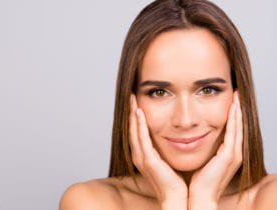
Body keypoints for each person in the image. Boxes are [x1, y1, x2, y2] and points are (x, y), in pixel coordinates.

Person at [59, 0, 277, 209]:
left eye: (208, 90)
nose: (185, 120)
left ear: (239, 96)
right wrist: (172, 198)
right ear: (131, 102)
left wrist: (204, 199)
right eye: (159, 92)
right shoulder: (90, 202)